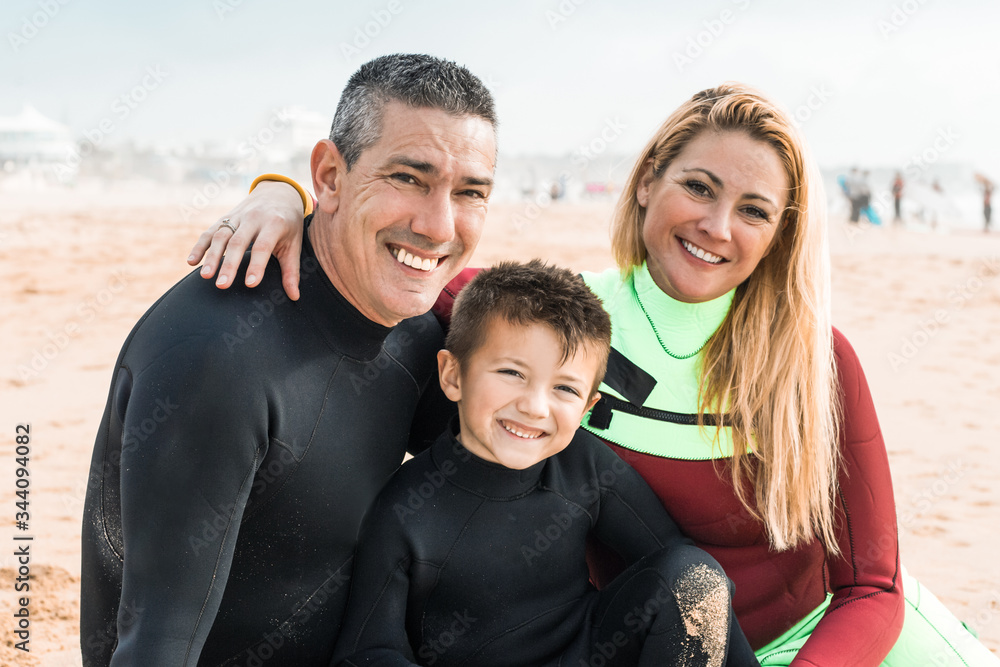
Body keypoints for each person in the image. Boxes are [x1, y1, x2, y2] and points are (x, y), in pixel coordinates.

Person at [192, 84, 1000, 665]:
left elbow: (874, 588)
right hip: (640, 636)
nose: (717, 226)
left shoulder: (816, 361)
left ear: (781, 234)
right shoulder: (557, 324)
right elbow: (394, 261)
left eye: (754, 210)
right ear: (648, 180)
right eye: (698, 186)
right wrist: (288, 199)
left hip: (831, 643)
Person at [80, 53, 500, 666]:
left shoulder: (413, 328)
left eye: (469, 193)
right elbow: (155, 645)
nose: (438, 226)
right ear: (329, 176)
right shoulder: (217, 358)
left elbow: (521, 468)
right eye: (408, 178)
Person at [332, 259, 760, 666]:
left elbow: (681, 566)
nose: (535, 407)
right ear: (453, 375)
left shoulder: (583, 467)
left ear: (589, 407)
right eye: (512, 373)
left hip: (590, 649)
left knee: (695, 577)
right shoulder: (404, 509)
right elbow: (366, 650)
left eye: (565, 389)